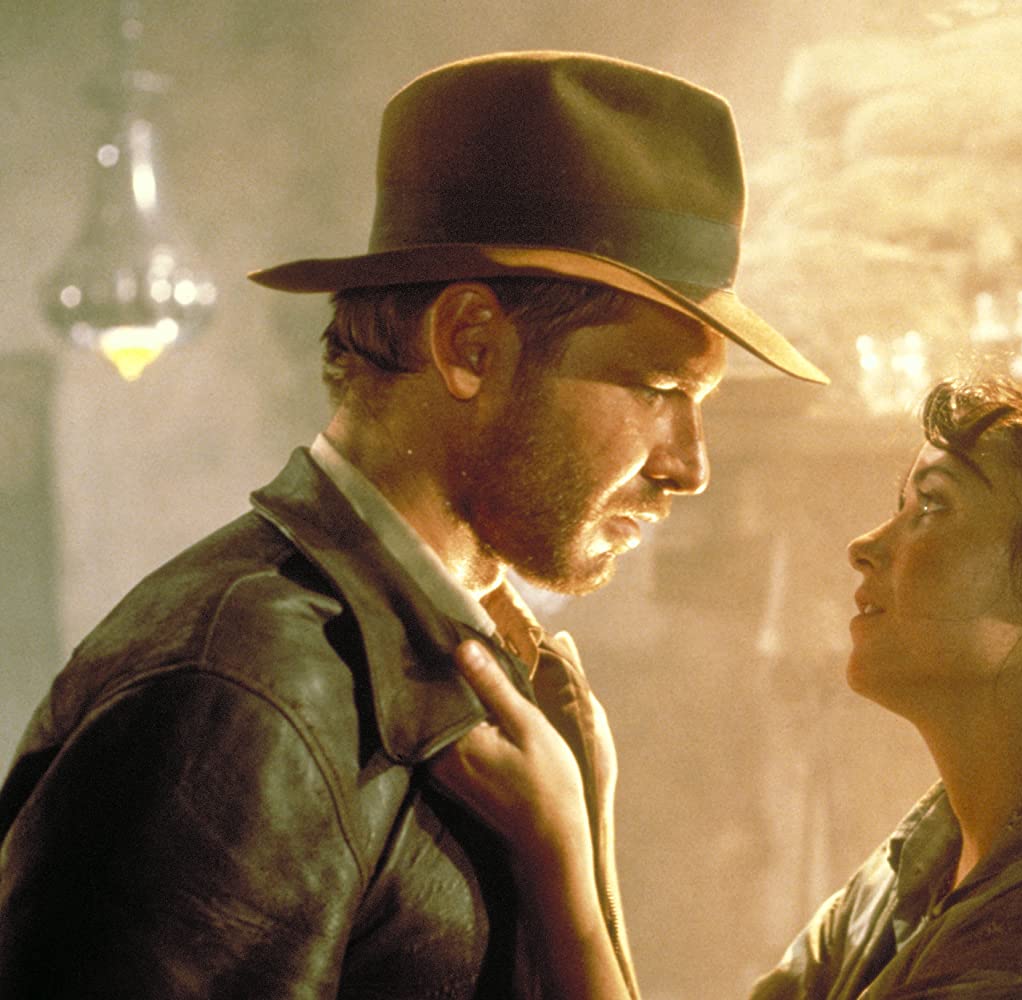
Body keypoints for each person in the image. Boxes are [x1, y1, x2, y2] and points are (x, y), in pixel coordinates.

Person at [0, 51, 825, 998]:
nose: (689, 466)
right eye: (657, 388)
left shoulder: (462, 659)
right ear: (469, 345)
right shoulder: (238, 691)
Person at [436, 374, 1022, 998]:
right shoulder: (940, 853)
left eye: (933, 508)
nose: (867, 545)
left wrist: (560, 852)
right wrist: (583, 804)